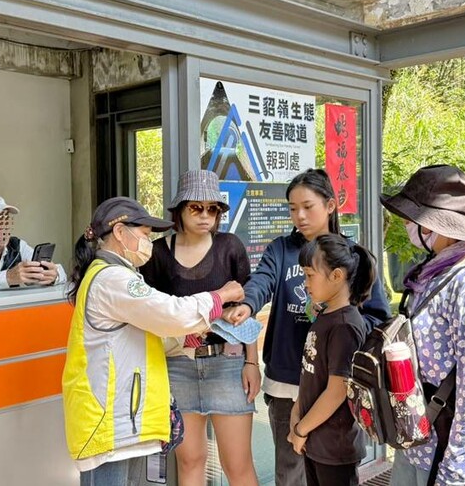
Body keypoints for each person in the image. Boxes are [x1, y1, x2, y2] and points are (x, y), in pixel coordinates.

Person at [62, 196, 246, 486]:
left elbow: (142, 335)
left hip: (123, 421)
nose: (150, 243)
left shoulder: (117, 275)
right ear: (121, 233)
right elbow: (169, 312)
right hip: (110, 422)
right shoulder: (113, 279)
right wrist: (219, 296)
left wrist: (186, 338)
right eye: (145, 235)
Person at [225, 168, 390, 486]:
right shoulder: (281, 249)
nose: (299, 215)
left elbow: (377, 319)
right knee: (290, 474)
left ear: (330, 206)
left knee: (331, 470)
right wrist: (247, 305)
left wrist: (337, 316)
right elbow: (262, 281)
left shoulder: (351, 257)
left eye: (307, 206)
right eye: (292, 208)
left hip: (334, 385)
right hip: (286, 382)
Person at [380, 165, 465, 486]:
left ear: (439, 225)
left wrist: (454, 471)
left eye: (412, 218)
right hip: (417, 441)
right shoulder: (434, 272)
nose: (406, 224)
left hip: (446, 453)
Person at [140, 170, 259, 486]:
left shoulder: (230, 246)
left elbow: (246, 310)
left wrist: (251, 362)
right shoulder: (157, 253)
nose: (206, 215)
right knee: (189, 461)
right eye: (196, 207)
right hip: (177, 365)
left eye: (213, 209)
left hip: (228, 363)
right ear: (179, 209)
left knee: (238, 465)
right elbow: (152, 313)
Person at [286, 233, 373, 486]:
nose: (305, 283)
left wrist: (301, 429)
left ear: (337, 276)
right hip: (316, 439)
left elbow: (337, 390)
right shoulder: (326, 315)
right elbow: (312, 374)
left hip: (336, 446)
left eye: (310, 275)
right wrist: (297, 417)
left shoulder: (346, 325)